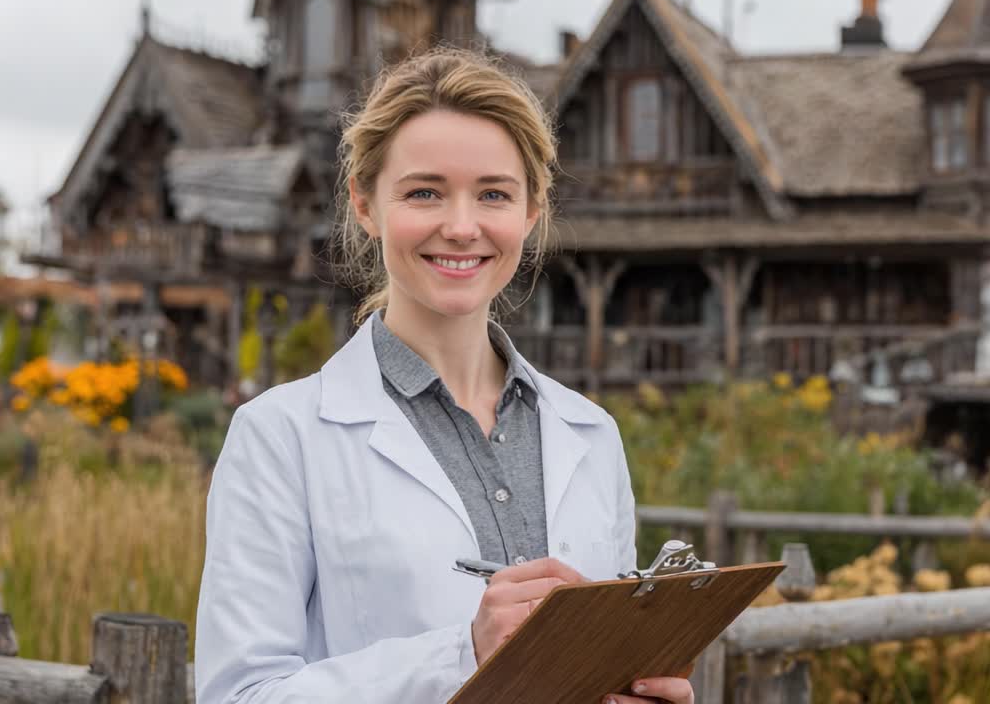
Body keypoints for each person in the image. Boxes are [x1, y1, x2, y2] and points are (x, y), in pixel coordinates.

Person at [194, 47, 695, 704]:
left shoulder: (592, 434)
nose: (461, 227)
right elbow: (239, 695)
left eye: (493, 194)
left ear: (531, 210)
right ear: (365, 204)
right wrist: (463, 655)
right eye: (424, 192)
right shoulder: (277, 437)